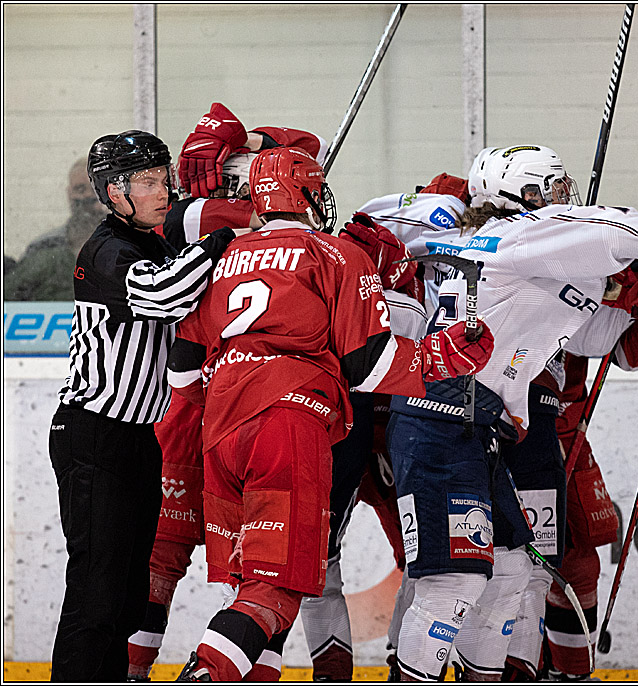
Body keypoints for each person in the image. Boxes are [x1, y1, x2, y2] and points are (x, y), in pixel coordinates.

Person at [383, 144, 638, 681]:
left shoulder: (515, 251)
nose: (564, 194)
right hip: (439, 421)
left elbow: (600, 330)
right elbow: (608, 231)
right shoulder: (522, 235)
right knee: (452, 585)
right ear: (522, 195)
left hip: (473, 423)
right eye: (552, 184)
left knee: (514, 571)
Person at [169, 146, 494, 681]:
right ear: (307, 193)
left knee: (256, 588)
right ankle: (204, 673)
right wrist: (443, 355)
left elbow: (182, 374)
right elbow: (369, 365)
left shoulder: (223, 257)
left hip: (220, 430)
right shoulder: (338, 254)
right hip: (289, 424)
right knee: (275, 587)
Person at [126, 103, 331, 681]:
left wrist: (241, 137)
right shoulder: (201, 215)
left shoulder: (200, 210)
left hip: (197, 393)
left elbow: (302, 148)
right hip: (226, 397)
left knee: (183, 558)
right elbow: (303, 152)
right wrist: (252, 144)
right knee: (251, 567)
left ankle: (143, 668)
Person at [47, 130, 242, 681]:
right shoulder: (105, 251)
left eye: (166, 179)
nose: (164, 192)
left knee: (127, 597)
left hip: (138, 439)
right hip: (93, 437)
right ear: (113, 192)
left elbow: (190, 263)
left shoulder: (151, 243)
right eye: (149, 182)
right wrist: (218, 241)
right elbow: (165, 296)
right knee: (97, 590)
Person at [5, 157, 107, 300]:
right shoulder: (45, 246)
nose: (88, 196)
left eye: (95, 189)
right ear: (69, 194)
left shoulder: (127, 244)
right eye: (80, 189)